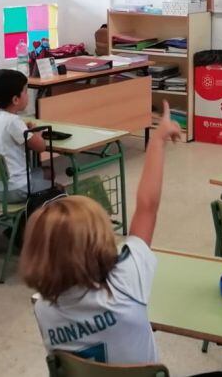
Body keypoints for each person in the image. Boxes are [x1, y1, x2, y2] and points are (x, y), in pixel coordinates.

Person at [22, 103, 191, 365]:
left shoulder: (44, 310)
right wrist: (157, 141)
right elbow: (148, 206)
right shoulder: (126, 281)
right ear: (100, 242)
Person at [0, 69, 54, 202]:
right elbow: (40, 147)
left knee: (45, 172)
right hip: (17, 189)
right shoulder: (13, 122)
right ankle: (35, 216)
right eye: (26, 92)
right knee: (56, 187)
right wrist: (36, 132)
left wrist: (25, 130)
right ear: (16, 99)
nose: (28, 95)